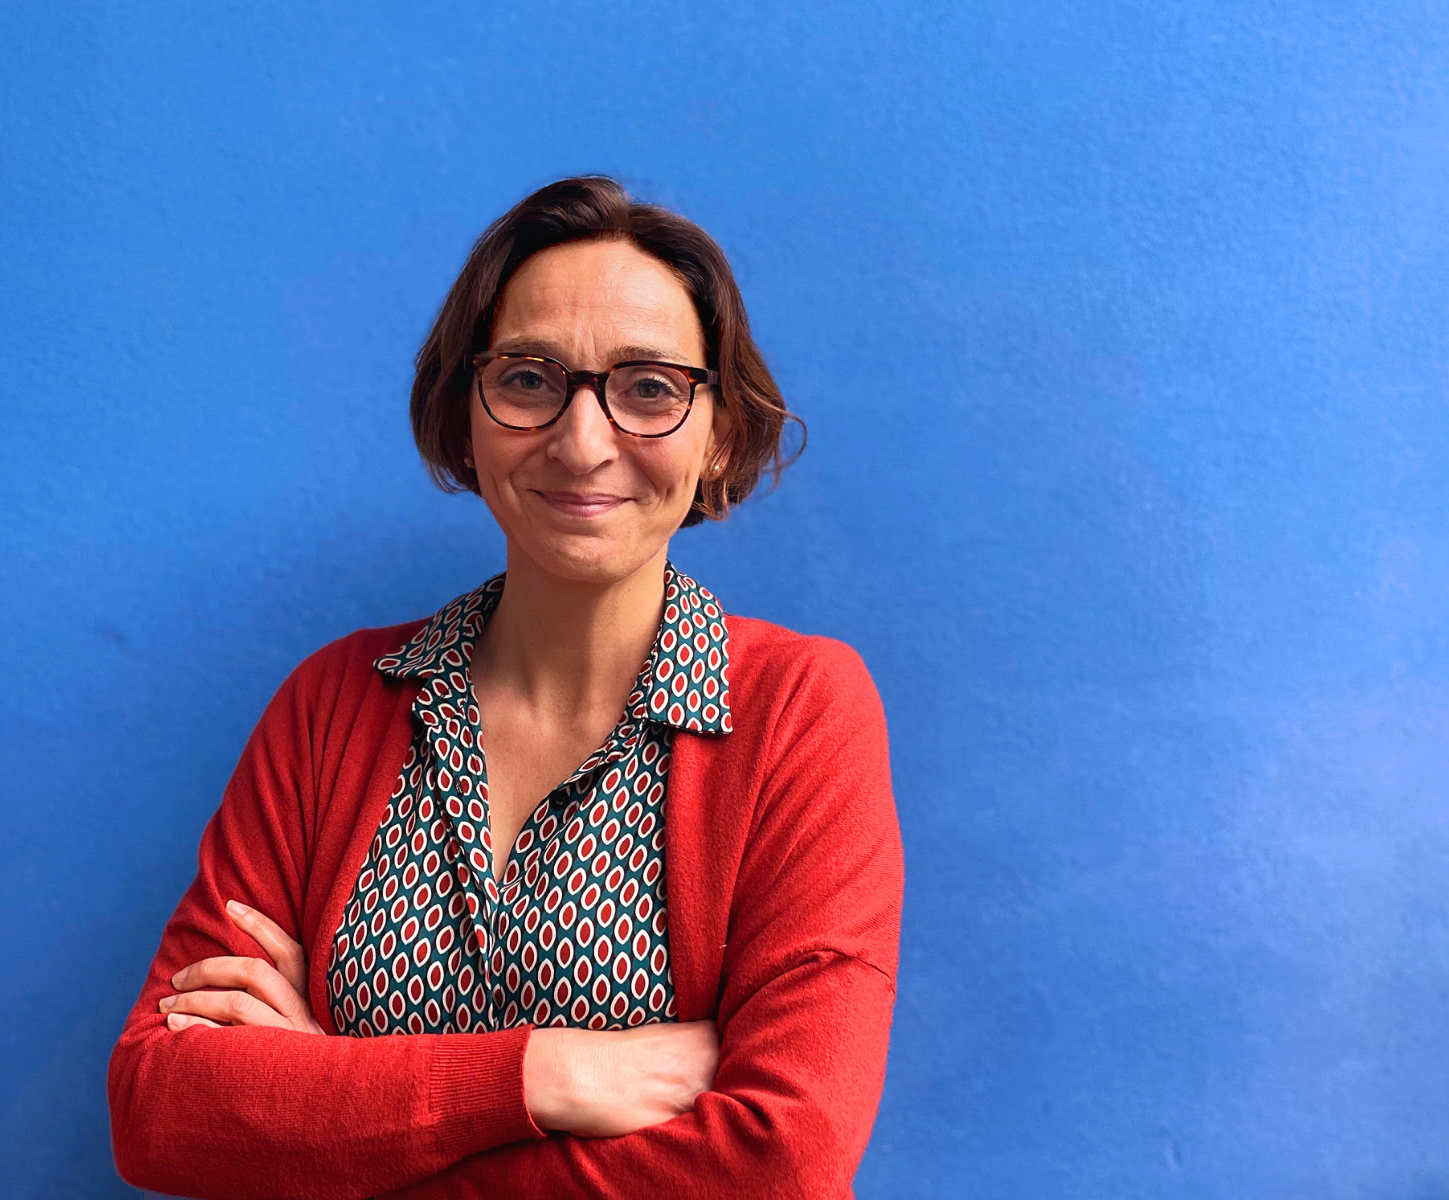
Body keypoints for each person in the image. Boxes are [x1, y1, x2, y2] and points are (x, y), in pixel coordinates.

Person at [107, 175, 903, 1199]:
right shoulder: (333, 704)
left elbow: (783, 1161)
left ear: (719, 436)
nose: (582, 441)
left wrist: (327, 1112)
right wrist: (545, 1075)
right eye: (529, 378)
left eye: (649, 388)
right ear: (465, 416)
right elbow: (160, 1108)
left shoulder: (799, 710)